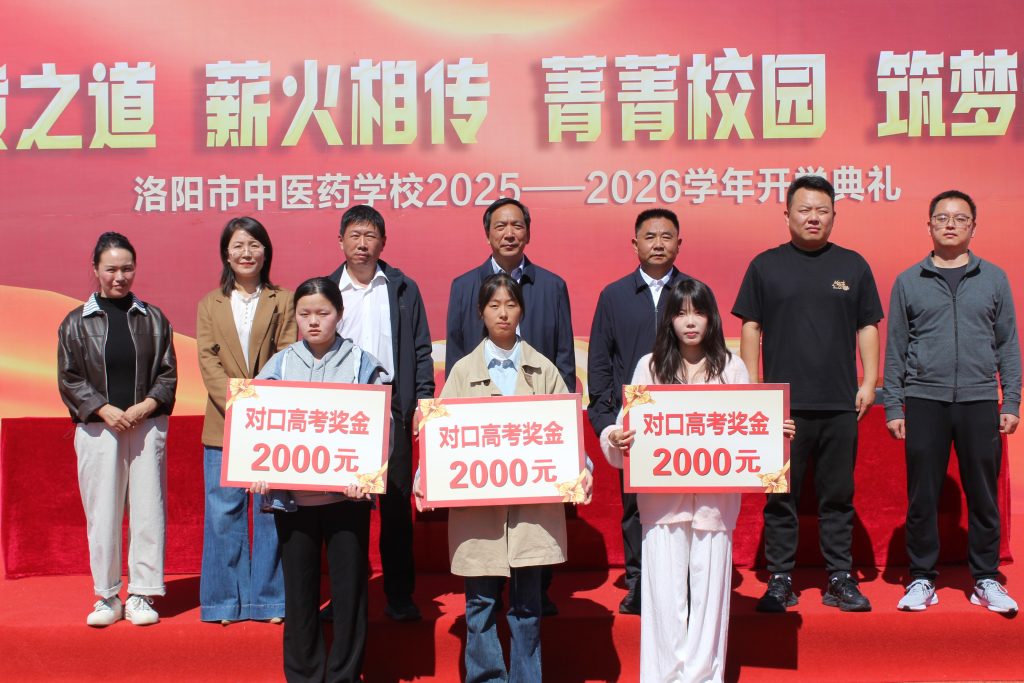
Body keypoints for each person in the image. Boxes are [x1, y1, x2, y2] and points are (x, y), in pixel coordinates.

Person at [601, 279, 795, 682]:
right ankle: (663, 677)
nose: (690, 322)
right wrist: (615, 437)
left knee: (709, 597)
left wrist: (775, 431)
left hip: (714, 503)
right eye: (681, 313)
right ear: (669, 320)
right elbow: (624, 427)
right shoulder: (649, 366)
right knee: (664, 597)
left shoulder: (732, 367)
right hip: (661, 504)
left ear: (712, 318)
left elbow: (751, 425)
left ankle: (703, 676)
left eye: (699, 312)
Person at [419, 273, 593, 682]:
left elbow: (565, 430)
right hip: (480, 513)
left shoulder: (543, 368)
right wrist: (424, 477)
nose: (503, 313)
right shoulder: (462, 371)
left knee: (528, 606)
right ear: (481, 312)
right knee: (479, 605)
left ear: (521, 310)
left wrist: (583, 469)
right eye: (494, 305)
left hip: (532, 513)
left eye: (510, 305)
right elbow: (441, 435)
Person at [732, 175, 882, 613]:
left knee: (837, 496)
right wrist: (753, 388)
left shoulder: (853, 265)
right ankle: (780, 579)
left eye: (822, 210)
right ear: (787, 215)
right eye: (804, 209)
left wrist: (869, 382)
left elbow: (867, 326)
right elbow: (751, 326)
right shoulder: (765, 265)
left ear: (834, 215)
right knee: (780, 496)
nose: (813, 217)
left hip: (839, 402)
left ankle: (840, 577)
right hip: (783, 408)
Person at [884, 190, 1021, 614]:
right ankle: (922, 577)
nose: (950, 224)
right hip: (924, 398)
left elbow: (1008, 344)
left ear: (973, 228)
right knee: (922, 495)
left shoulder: (994, 278)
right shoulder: (908, 281)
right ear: (928, 225)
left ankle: (985, 578)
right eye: (942, 217)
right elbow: (896, 347)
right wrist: (894, 405)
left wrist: (1011, 400)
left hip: (979, 398)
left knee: (983, 494)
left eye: (960, 218)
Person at [251, 277, 386, 683]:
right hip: (294, 504)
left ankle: (344, 675)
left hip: (346, 501)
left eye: (323, 313)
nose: (313, 321)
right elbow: (256, 426)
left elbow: (381, 426)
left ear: (339, 315)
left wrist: (368, 475)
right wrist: (256, 469)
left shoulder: (362, 363)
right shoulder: (279, 365)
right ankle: (304, 676)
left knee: (349, 594)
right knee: (300, 594)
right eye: (305, 314)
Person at [446, 197, 576, 614]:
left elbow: (563, 355)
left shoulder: (552, 286)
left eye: (517, 225)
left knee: (532, 530)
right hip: (482, 433)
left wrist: (564, 425)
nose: (509, 233)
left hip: (537, 429)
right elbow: (456, 356)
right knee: (485, 546)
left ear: (528, 232)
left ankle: (536, 592)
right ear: (487, 233)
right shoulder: (463, 285)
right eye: (500, 226)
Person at [57, 231, 177, 627]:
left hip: (146, 425)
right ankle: (106, 596)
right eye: (110, 269)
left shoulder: (154, 318)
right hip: (98, 429)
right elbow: (69, 378)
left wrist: (145, 406)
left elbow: (167, 374)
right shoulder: (75, 323)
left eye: (127, 268)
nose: (119, 277)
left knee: (148, 510)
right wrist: (104, 409)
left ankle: (142, 593)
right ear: (95, 269)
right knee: (102, 511)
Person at [327, 205, 434, 622]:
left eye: (370, 236)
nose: (362, 243)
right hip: (343, 412)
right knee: (343, 509)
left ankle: (400, 596)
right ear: (340, 241)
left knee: (395, 508)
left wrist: (421, 401)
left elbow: (421, 350)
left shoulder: (403, 288)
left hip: (393, 406)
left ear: (383, 242)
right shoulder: (328, 291)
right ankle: (343, 600)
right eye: (354, 235)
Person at [588, 207, 689, 615]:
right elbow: (600, 360)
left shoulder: (693, 293)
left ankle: (682, 582)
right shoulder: (614, 296)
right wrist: (605, 418)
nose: (658, 244)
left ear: (679, 244)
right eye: (650, 236)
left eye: (667, 236)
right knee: (635, 507)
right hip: (634, 423)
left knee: (684, 506)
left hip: (685, 423)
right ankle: (639, 581)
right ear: (635, 244)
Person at [197, 217, 295, 624]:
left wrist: (261, 407)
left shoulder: (283, 299)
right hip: (224, 422)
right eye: (238, 245)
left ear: (266, 252)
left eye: (254, 244)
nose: (246, 253)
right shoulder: (210, 304)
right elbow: (208, 362)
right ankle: (224, 601)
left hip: (271, 422)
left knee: (270, 510)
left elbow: (288, 355)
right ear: (226, 254)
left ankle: (269, 601)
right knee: (224, 514)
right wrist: (239, 407)